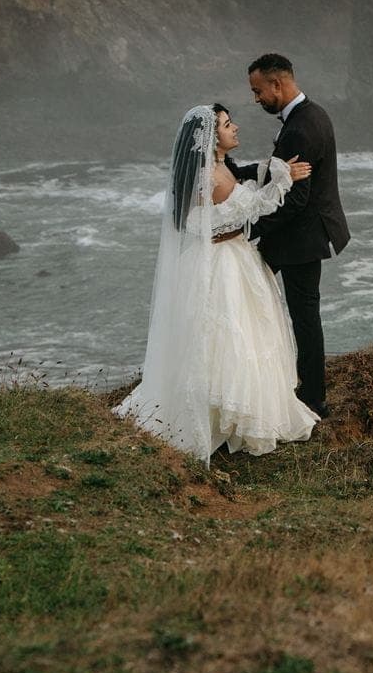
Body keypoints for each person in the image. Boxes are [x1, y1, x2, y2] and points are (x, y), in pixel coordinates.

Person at [115, 104, 321, 458]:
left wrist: (269, 173)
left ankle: (240, 413)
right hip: (219, 264)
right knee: (225, 335)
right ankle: (221, 414)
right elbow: (199, 223)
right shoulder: (204, 177)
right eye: (227, 124)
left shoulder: (222, 167)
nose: (235, 128)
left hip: (239, 257)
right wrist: (282, 181)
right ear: (213, 139)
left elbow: (241, 192)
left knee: (250, 334)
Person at [243, 53, 350, 415]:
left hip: (300, 239)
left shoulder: (300, 128)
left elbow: (294, 201)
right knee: (295, 312)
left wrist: (248, 229)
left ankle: (313, 398)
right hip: (307, 235)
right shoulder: (313, 114)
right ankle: (301, 387)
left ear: (278, 84)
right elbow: (279, 175)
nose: (257, 99)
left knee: (302, 317)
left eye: (259, 91)